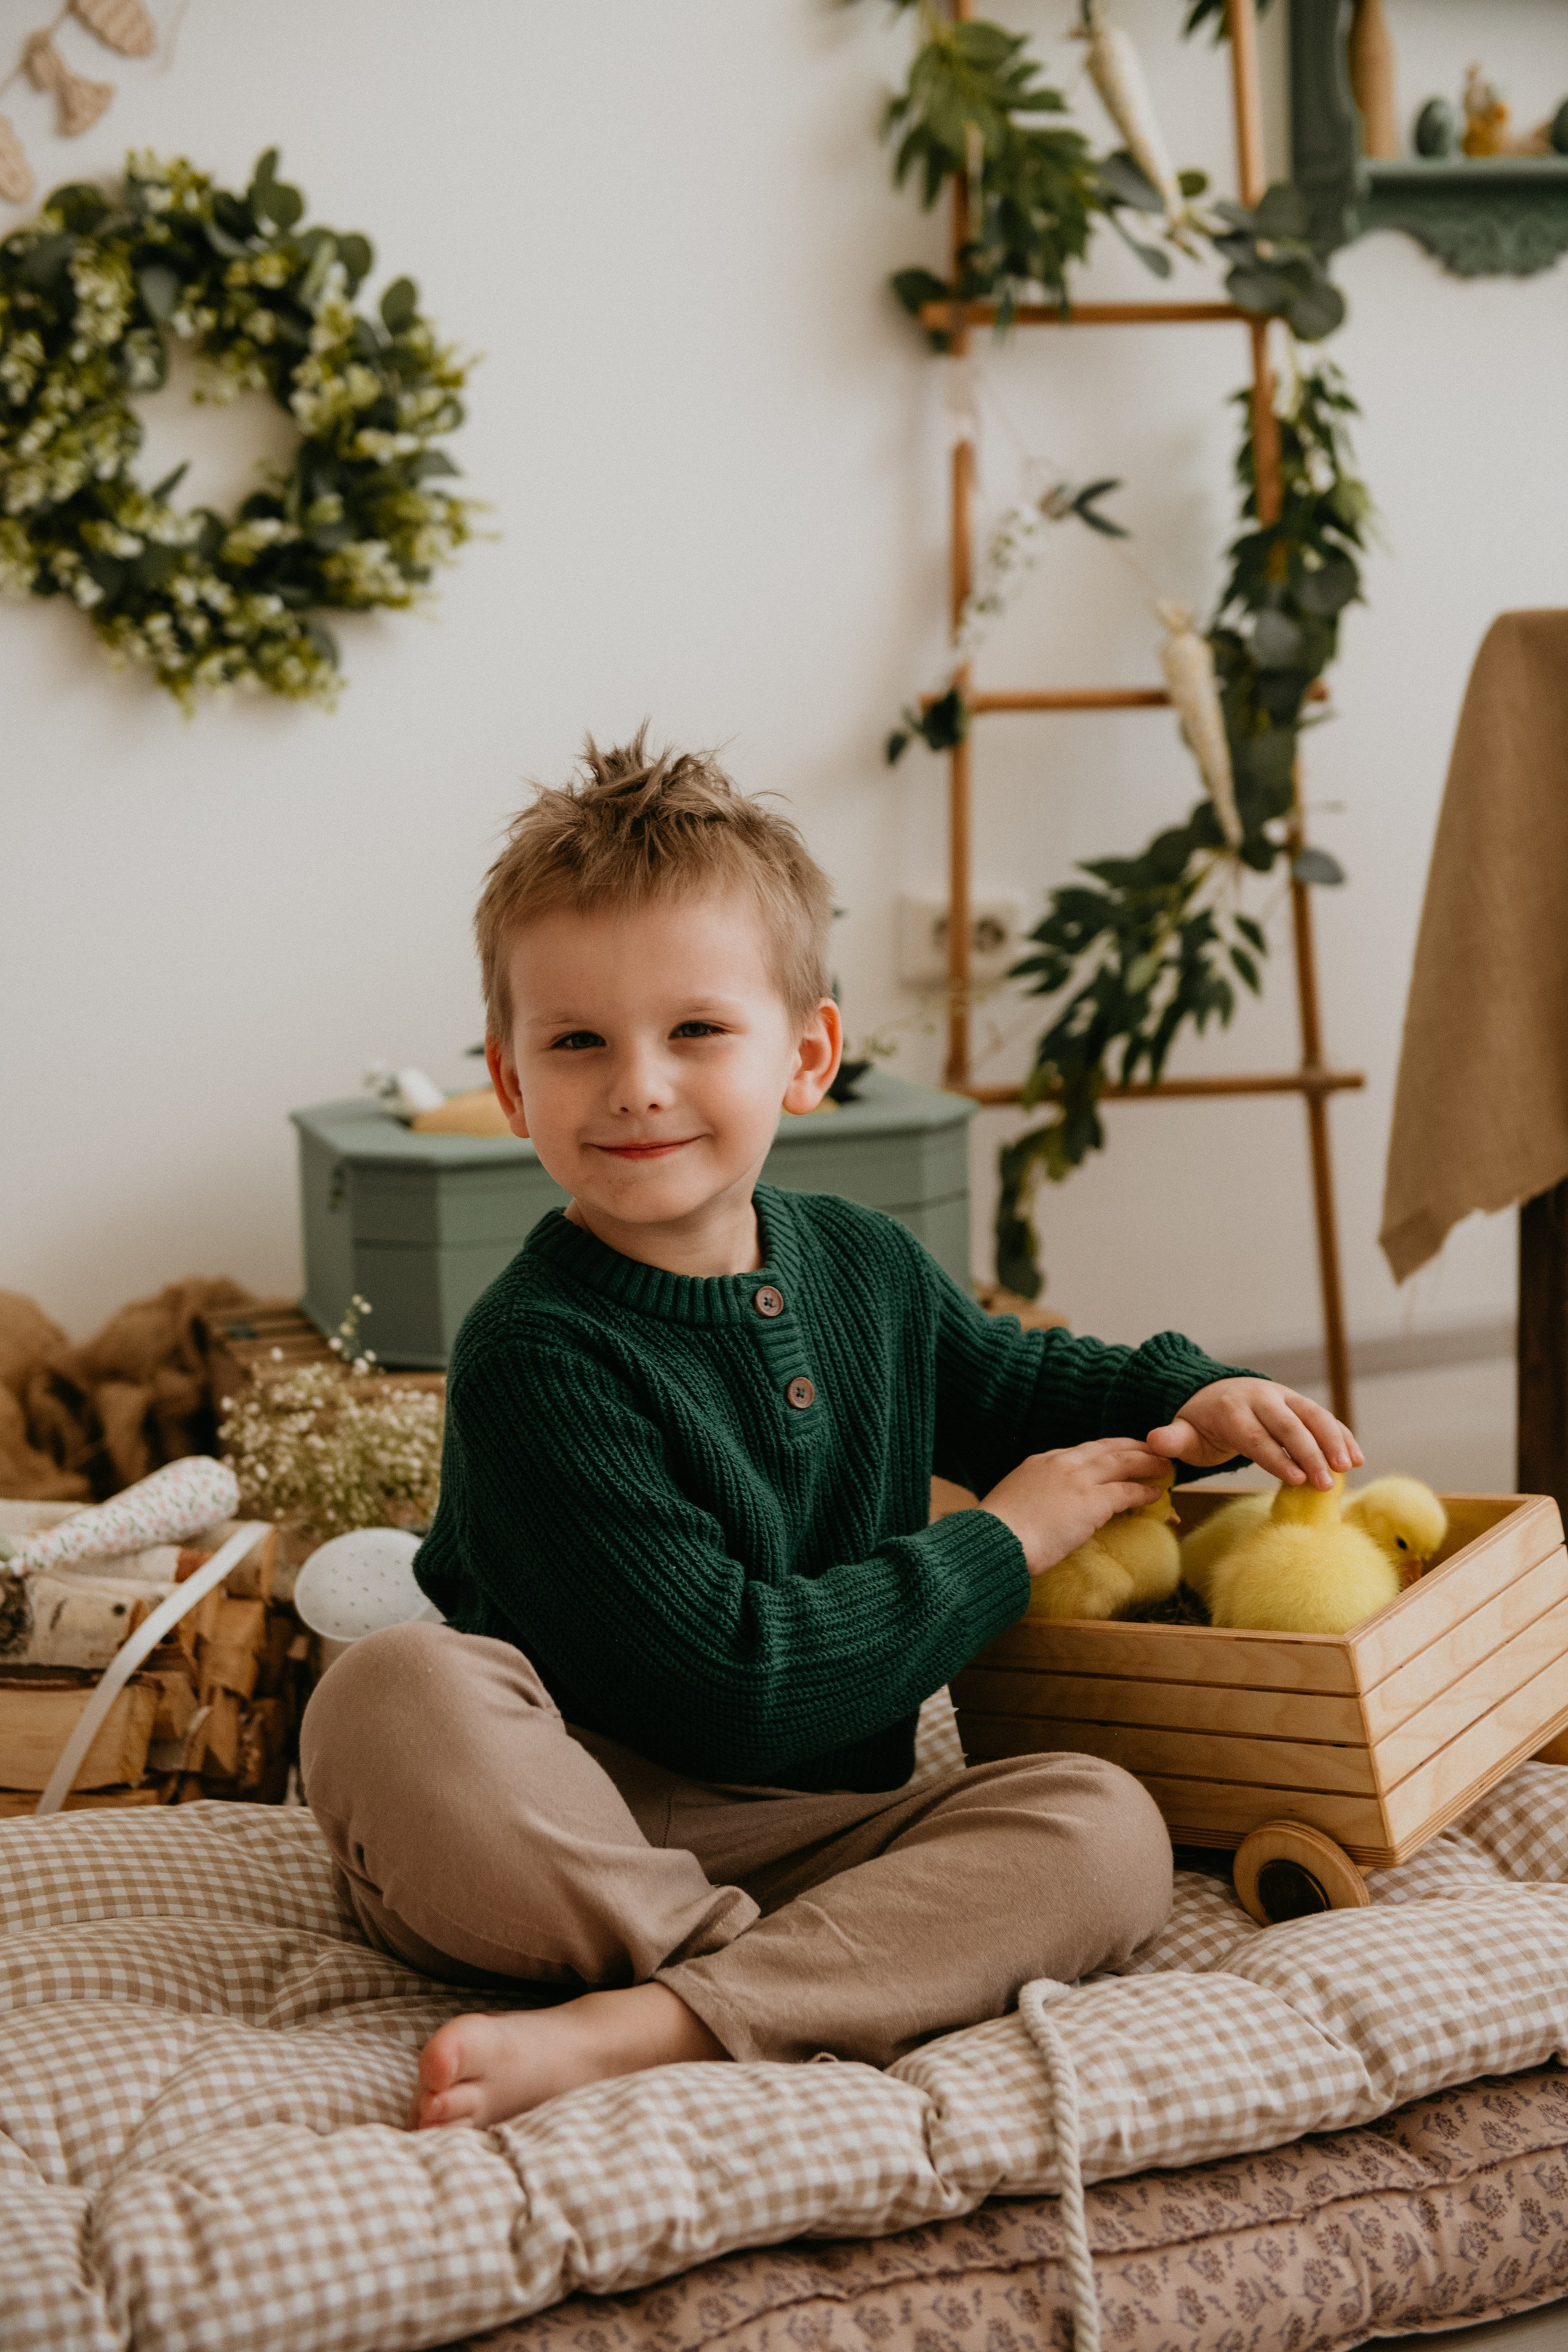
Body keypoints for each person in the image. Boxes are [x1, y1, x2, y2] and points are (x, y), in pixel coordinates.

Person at [301, 731, 1362, 2133]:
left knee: (1104, 1826)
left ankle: (679, 2011)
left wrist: (1195, 1398)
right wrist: (1003, 1541)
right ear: (510, 1086)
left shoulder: (862, 1264)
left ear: (804, 1057)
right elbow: (732, 1685)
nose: (636, 1085)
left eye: (695, 1031)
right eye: (577, 1042)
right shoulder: (535, 1353)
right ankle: (762, 1977)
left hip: (810, 1836)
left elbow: (1018, 1383)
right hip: (558, 1820)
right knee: (389, 1693)